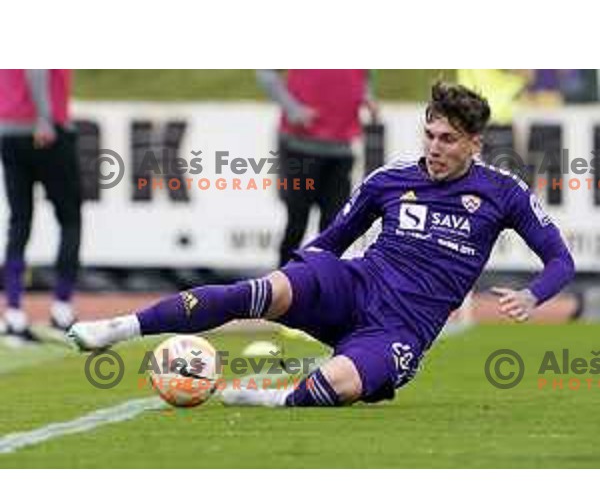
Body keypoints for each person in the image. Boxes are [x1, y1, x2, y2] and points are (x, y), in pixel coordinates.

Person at [68, 83, 575, 407]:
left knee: (339, 388)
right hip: (355, 284)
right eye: (430, 135)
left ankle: (271, 395)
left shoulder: (503, 193)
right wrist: (296, 278)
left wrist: (533, 295)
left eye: (447, 139)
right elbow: (332, 240)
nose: (435, 148)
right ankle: (121, 327)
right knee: (260, 291)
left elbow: (560, 258)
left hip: (402, 326)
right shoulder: (389, 180)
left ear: (473, 144)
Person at [256, 69, 378, 265]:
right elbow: (266, 73)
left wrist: (367, 97)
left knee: (334, 227)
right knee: (296, 223)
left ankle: (324, 285)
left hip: (342, 148)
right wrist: (293, 109)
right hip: (300, 146)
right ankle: (282, 286)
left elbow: (363, 77)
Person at [0, 69, 81, 343]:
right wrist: (44, 118)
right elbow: (36, 68)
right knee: (70, 220)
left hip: (9, 131)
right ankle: (62, 310)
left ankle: (13, 313)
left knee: (19, 221)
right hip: (45, 131)